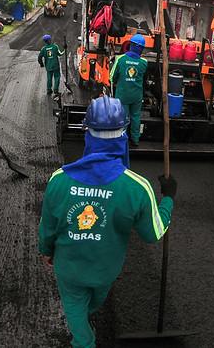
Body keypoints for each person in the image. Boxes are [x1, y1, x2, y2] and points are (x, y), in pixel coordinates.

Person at [38, 96, 176, 348]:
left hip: (68, 269)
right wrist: (168, 199)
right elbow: (153, 232)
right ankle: (84, 337)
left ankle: (82, 337)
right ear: (123, 134)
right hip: (105, 272)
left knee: (75, 305)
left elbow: (47, 226)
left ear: (87, 133)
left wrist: (46, 251)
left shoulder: (58, 180)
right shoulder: (137, 187)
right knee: (91, 303)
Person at [109, 34, 148, 147]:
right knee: (135, 117)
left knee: (123, 117)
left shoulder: (120, 59)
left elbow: (112, 77)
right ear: (141, 48)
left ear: (130, 45)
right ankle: (135, 140)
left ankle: (122, 141)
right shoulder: (144, 62)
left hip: (123, 95)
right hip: (137, 95)